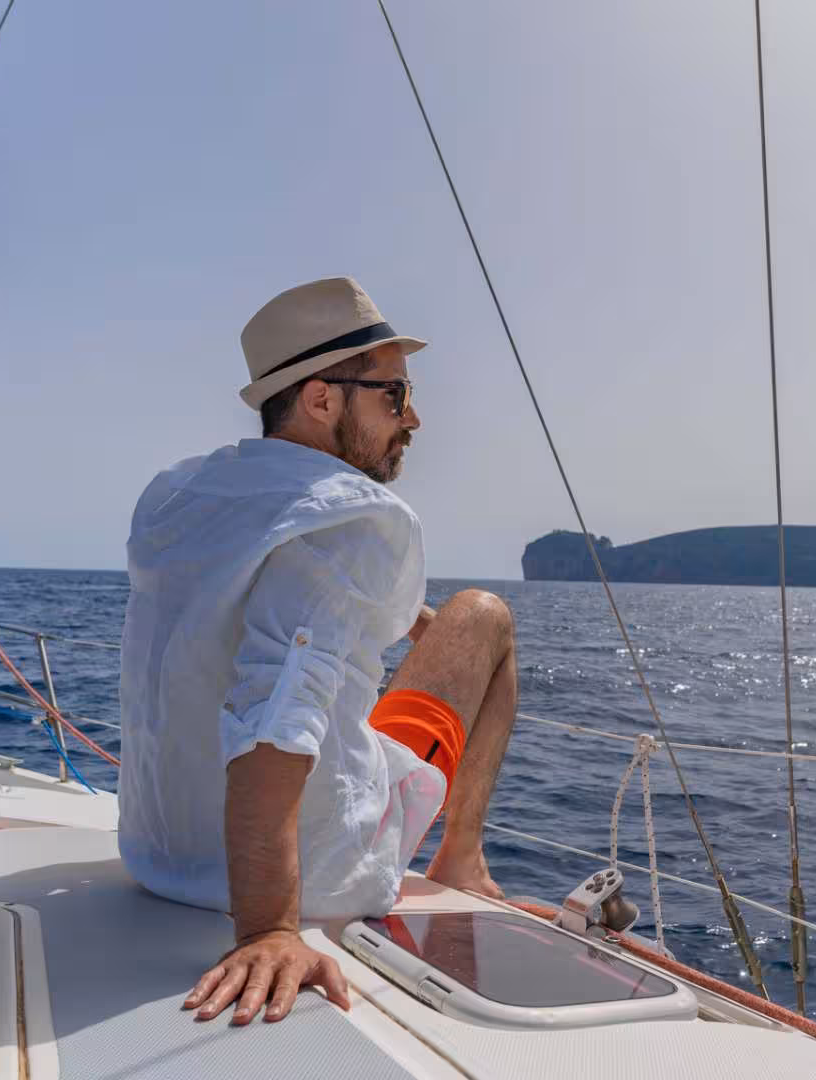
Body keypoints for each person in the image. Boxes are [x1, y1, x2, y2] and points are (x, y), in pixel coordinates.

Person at [117, 277, 520, 1026]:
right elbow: (273, 715)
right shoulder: (354, 516)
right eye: (394, 396)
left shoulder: (180, 497)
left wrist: (399, 615)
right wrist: (269, 928)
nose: (416, 419)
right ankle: (460, 859)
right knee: (484, 618)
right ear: (322, 399)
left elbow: (259, 590)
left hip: (159, 855)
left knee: (439, 625)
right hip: (320, 870)